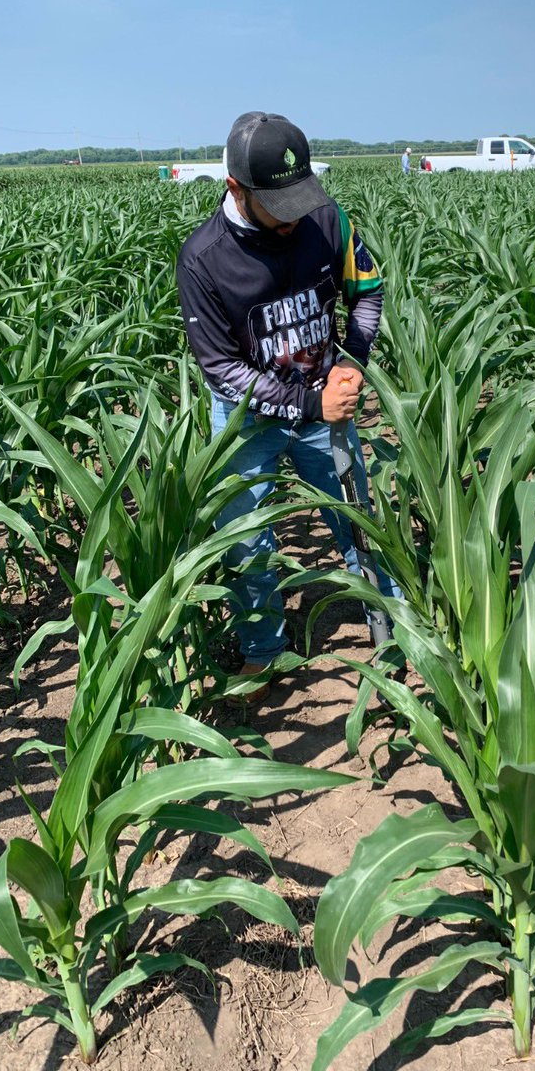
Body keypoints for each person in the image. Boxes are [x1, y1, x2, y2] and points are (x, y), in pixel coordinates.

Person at [176, 111, 399, 687]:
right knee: (247, 538)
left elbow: (368, 290)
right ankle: (263, 648)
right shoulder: (203, 259)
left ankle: (392, 629)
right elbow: (223, 370)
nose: (296, 216)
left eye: (302, 197)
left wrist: (350, 363)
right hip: (247, 417)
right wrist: (307, 406)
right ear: (236, 190)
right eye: (281, 204)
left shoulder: (327, 220)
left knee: (356, 519)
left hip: (326, 399)